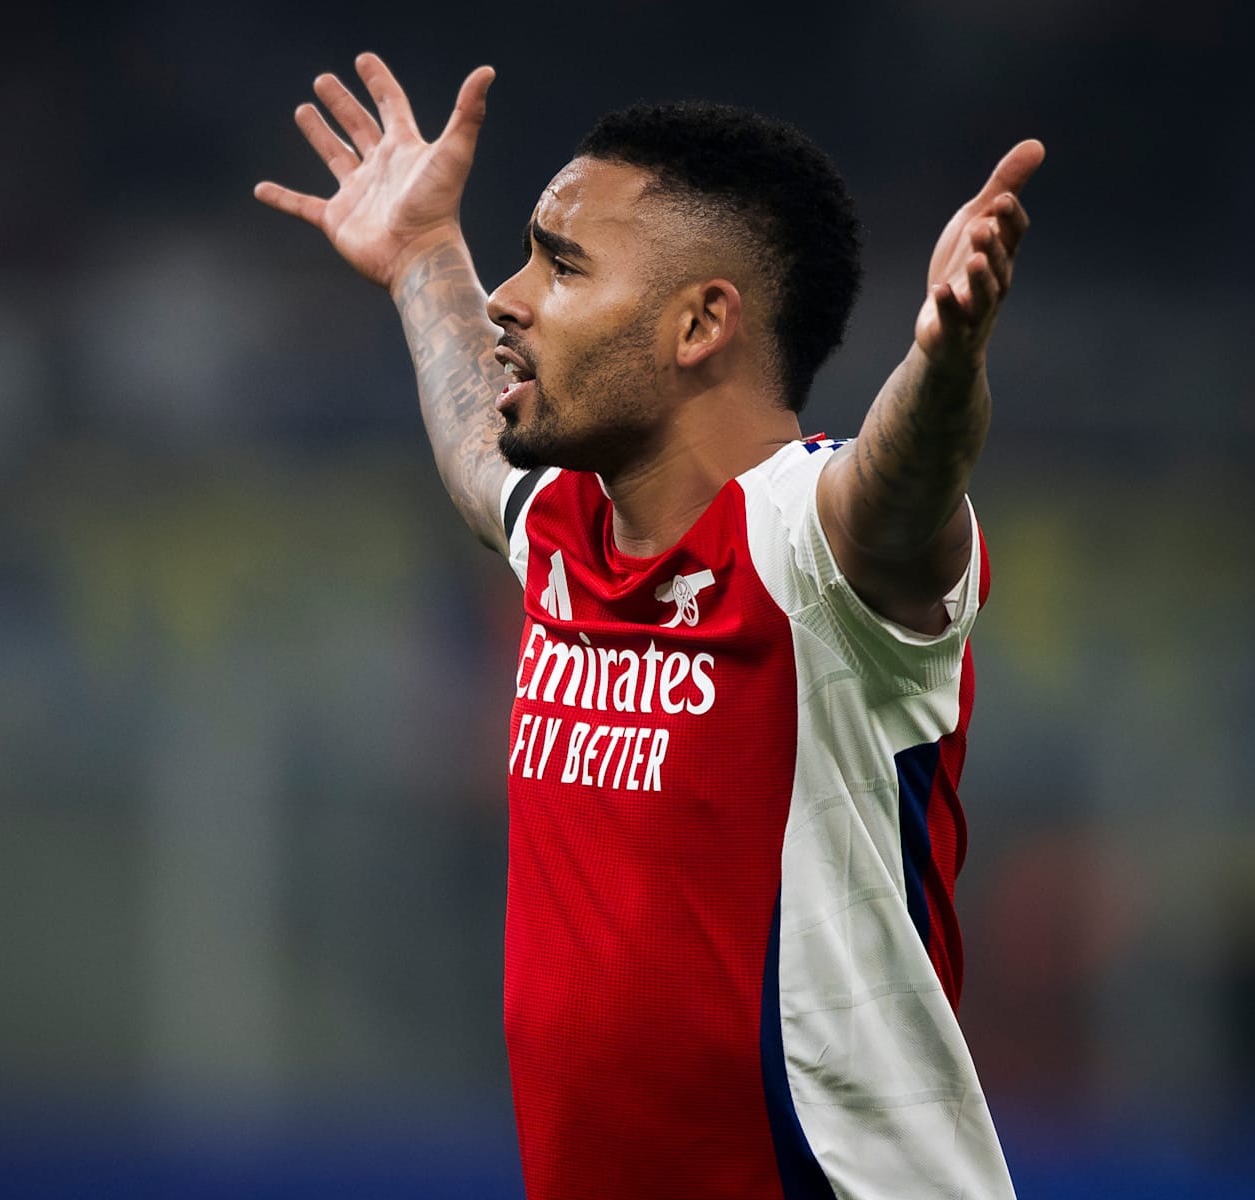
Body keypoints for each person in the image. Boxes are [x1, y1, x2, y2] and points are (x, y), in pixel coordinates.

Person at [256, 52, 1040, 1200]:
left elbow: (906, 476)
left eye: (560, 265)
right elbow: (480, 459)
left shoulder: (811, 544)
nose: (511, 299)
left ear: (699, 324)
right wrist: (426, 256)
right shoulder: (566, 532)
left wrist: (945, 360)